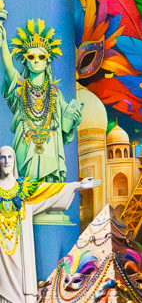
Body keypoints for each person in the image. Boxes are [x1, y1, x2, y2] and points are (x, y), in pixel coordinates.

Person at [0, 145, 100, 303]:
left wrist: (77, 185)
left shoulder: (25, 191)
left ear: (14, 162)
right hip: (2, 259)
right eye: (2, 157)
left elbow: (49, 191)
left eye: (9, 157)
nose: (5, 161)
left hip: (22, 258)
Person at [1, 11, 82, 182]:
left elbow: (65, 128)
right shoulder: (20, 88)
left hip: (50, 153)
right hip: (25, 149)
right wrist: (2, 43)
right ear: (25, 61)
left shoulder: (55, 94)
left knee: (50, 190)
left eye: (41, 56)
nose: (36, 60)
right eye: (31, 56)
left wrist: (74, 117)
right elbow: (8, 69)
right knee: (25, 188)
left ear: (47, 61)